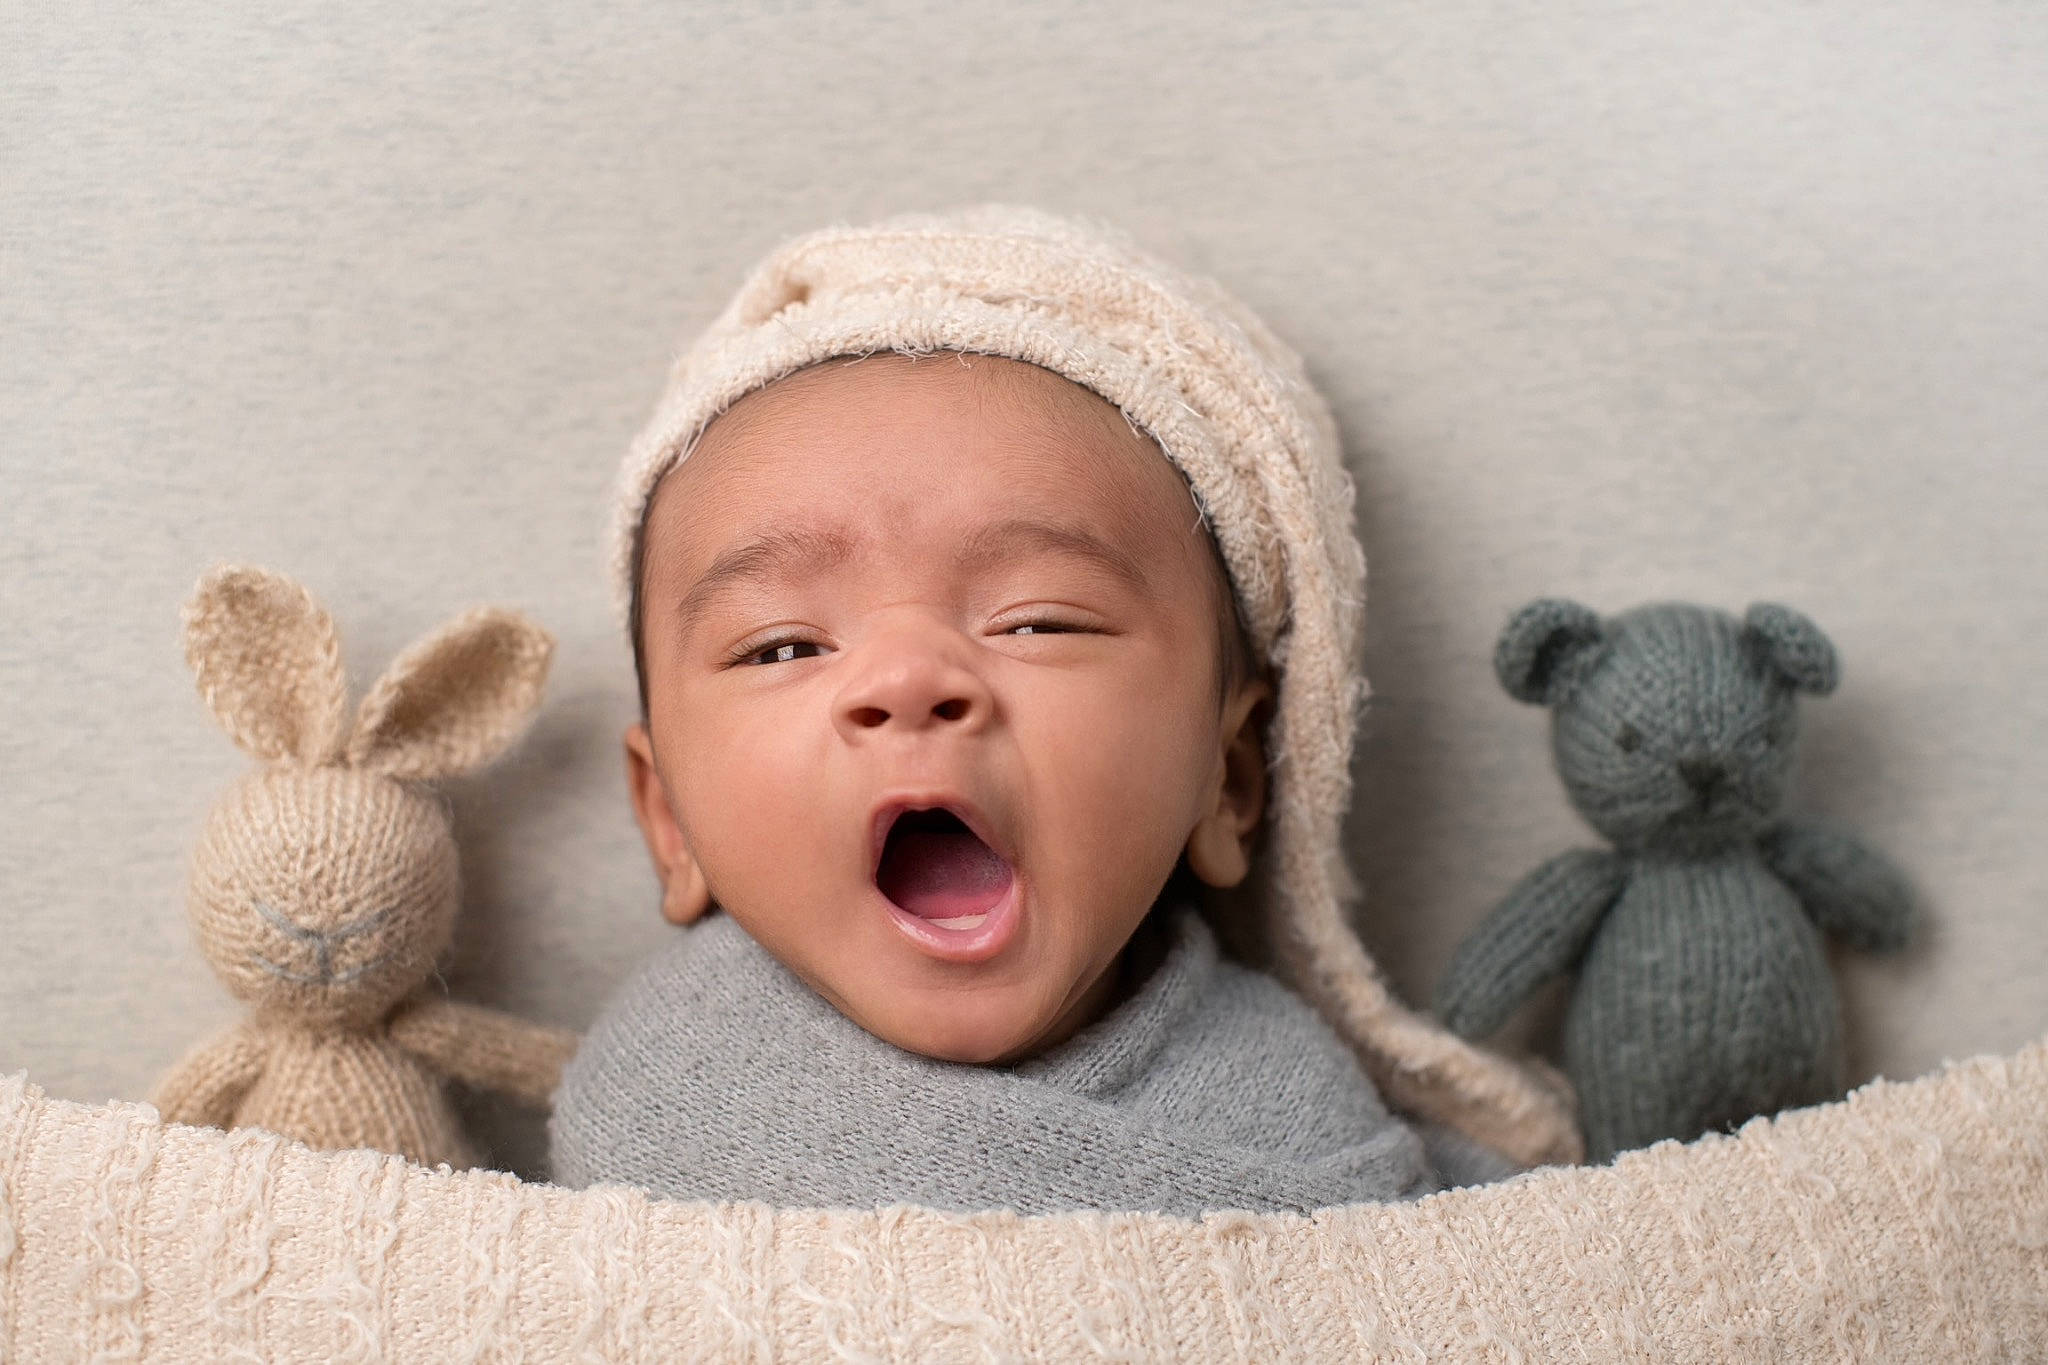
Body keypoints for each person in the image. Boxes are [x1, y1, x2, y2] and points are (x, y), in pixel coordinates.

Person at [547, 206, 1579, 1215]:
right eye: (782, 646)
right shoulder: (654, 1102)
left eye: (1038, 622)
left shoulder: (1301, 1132)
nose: (907, 679)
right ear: (669, 818)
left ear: (1227, 779)